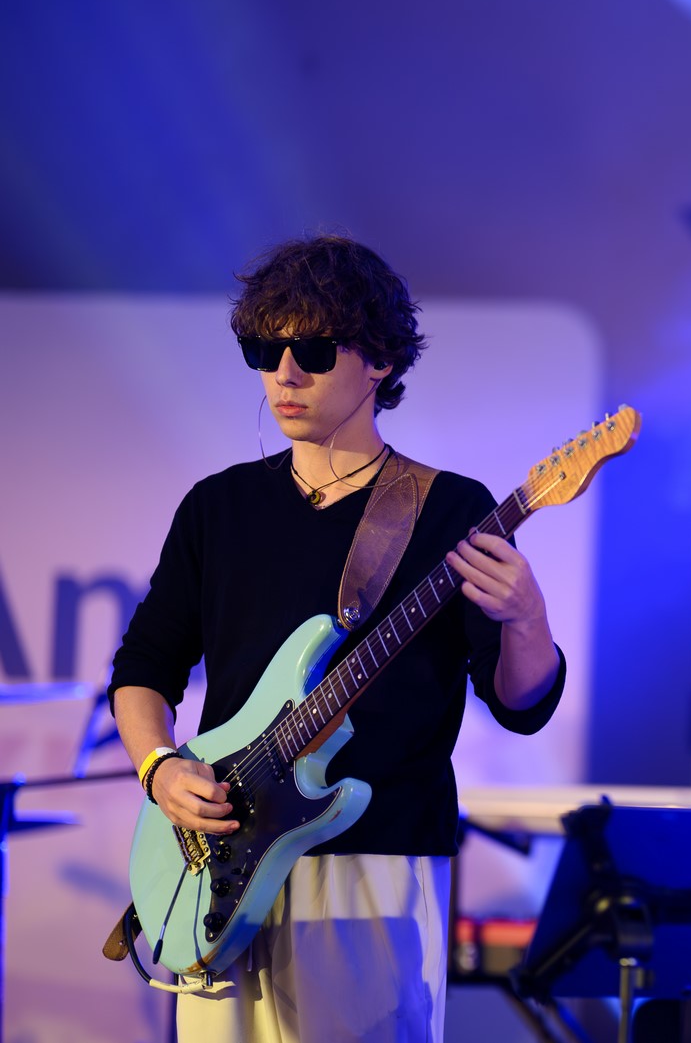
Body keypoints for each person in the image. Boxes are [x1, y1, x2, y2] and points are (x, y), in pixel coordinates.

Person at [108, 234, 566, 1042]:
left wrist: (527, 618)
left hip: (371, 862)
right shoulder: (218, 508)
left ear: (380, 360)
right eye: (265, 350)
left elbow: (519, 703)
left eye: (313, 351)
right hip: (219, 855)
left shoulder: (450, 508)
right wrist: (159, 767)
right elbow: (143, 667)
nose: (284, 374)